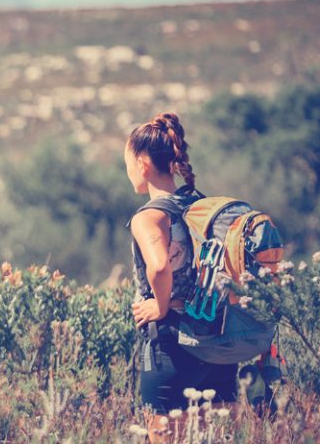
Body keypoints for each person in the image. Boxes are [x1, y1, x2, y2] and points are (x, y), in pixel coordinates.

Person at [124, 112, 237, 441]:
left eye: (127, 162)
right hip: (217, 341)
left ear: (143, 164)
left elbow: (159, 267)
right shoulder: (202, 205)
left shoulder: (150, 216)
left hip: (172, 346)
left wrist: (160, 306)